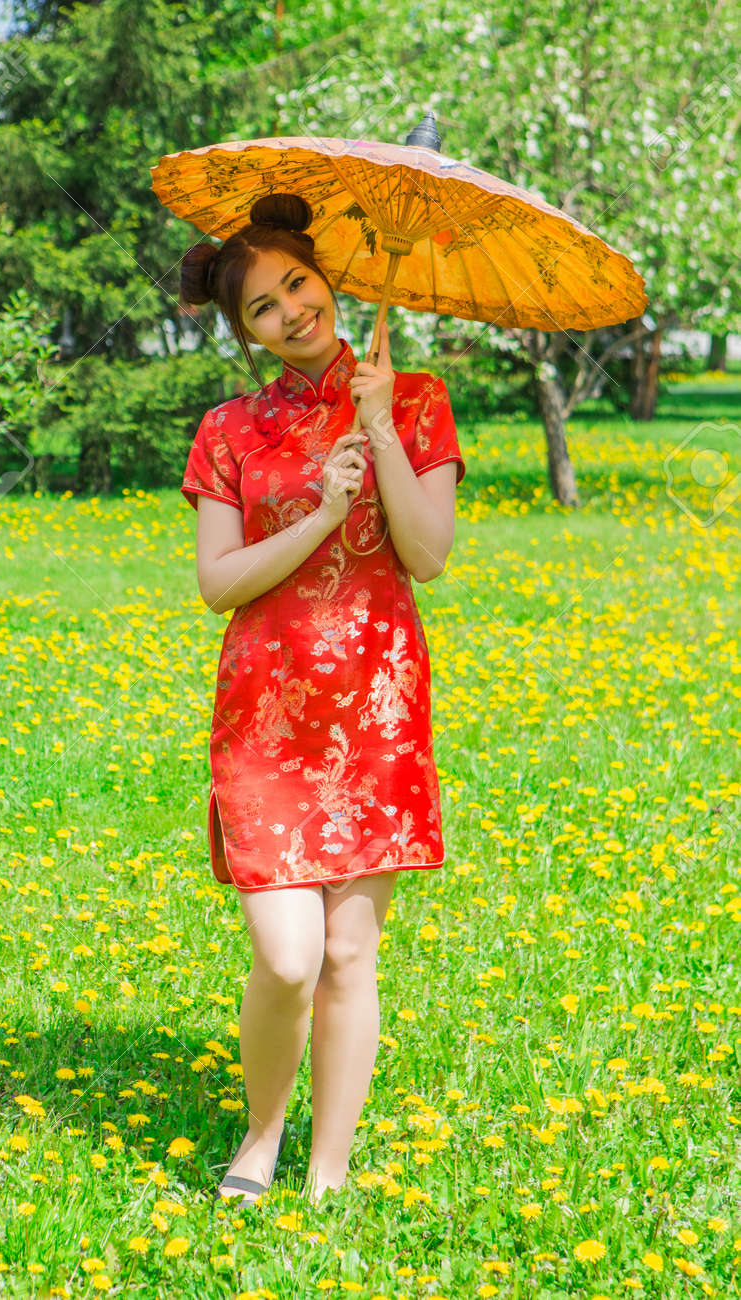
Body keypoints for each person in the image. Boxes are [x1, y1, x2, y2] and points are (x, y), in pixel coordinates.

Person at [178, 191, 466, 1208]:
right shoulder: (230, 429)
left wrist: (382, 432)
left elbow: (427, 557)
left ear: (327, 276)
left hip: (377, 708)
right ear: (243, 331)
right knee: (289, 957)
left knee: (350, 949)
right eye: (263, 306)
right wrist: (325, 512)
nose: (293, 311)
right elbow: (219, 582)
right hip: (267, 714)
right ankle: (262, 1132)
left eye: (297, 283)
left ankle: (324, 1173)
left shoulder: (418, 396)